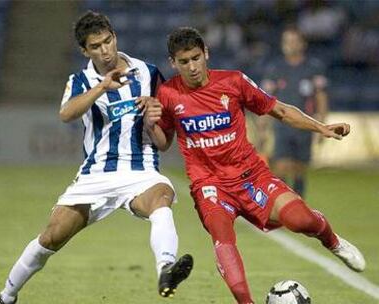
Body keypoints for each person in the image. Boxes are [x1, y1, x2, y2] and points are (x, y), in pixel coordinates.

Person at [0, 11, 193, 304]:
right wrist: (102, 86)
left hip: (140, 170)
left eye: (108, 41)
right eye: (96, 46)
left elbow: (163, 142)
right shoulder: (81, 80)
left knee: (161, 199)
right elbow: (66, 114)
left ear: (115, 36)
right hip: (95, 176)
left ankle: (166, 269)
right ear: (85, 50)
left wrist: (152, 118)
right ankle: (6, 297)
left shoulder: (148, 73)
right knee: (51, 237)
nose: (105, 49)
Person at [142, 27, 365, 304]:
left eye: (196, 58)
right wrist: (150, 125)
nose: (192, 67)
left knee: (300, 220)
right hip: (209, 185)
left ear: (206, 54)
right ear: (173, 63)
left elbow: (280, 110)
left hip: (251, 176)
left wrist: (321, 127)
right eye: (184, 62)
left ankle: (332, 241)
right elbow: (163, 143)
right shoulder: (168, 93)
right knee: (222, 237)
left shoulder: (233, 82)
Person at [260, 26, 329, 197]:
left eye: (293, 41)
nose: (289, 45)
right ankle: (283, 205)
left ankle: (298, 206)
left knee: (300, 169)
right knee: (281, 166)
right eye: (286, 41)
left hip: (305, 125)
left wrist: (322, 125)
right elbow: (264, 98)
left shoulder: (313, 68)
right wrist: (263, 125)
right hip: (281, 125)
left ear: (302, 44)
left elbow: (321, 96)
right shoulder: (275, 68)